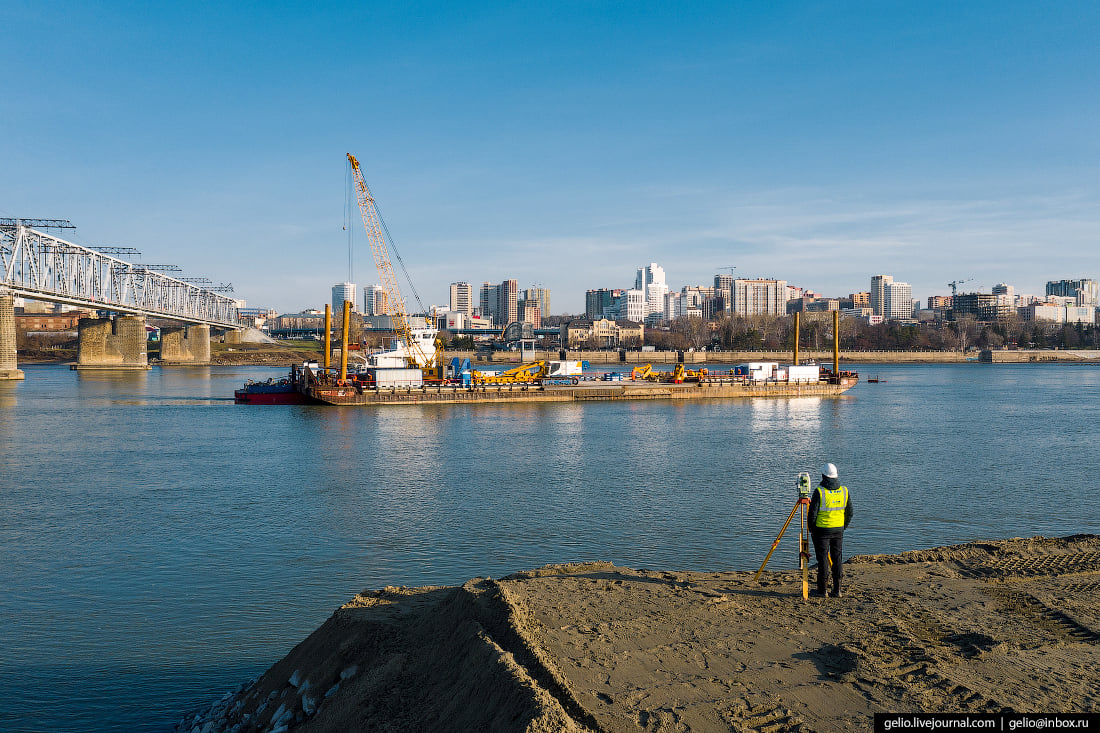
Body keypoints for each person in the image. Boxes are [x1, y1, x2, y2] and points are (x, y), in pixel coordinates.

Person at [808, 462, 853, 598]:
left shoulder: (819, 492)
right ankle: (837, 590)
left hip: (821, 531)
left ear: (823, 476)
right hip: (838, 530)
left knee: (822, 560)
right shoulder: (844, 491)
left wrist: (812, 529)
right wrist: (842, 527)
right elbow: (849, 512)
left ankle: (822, 590)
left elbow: (812, 514)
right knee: (837, 558)